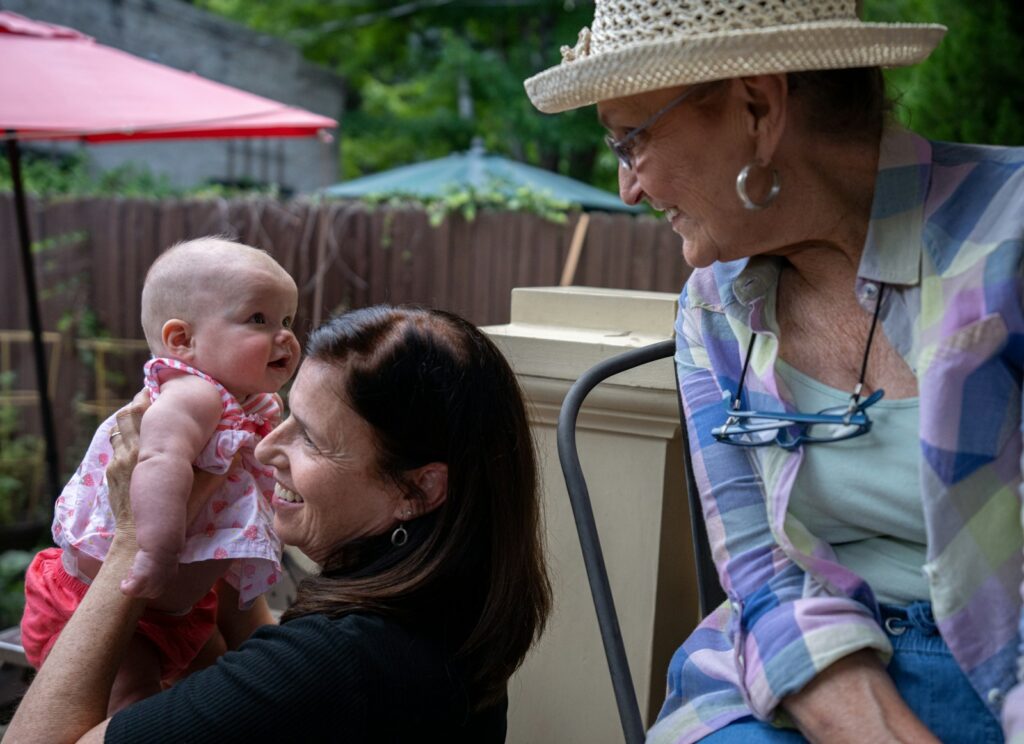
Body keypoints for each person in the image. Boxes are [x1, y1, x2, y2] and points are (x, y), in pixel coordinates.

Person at [526, 0, 1023, 742]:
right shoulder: (712, 308)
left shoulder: (1008, 239)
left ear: (758, 107)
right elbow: (764, 575)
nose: (628, 187)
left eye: (630, 140)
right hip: (806, 672)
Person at [6, 305, 552, 743]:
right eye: (283, 414)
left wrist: (131, 541)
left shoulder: (333, 664)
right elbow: (254, 673)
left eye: (310, 438)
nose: (267, 447)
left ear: (417, 488)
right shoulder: (447, 611)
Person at [20, 237, 301, 711]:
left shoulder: (247, 404)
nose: (285, 336)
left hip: (176, 609)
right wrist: (155, 549)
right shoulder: (192, 395)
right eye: (260, 319)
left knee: (220, 694)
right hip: (109, 602)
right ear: (182, 341)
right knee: (134, 702)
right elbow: (158, 462)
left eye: (288, 321)